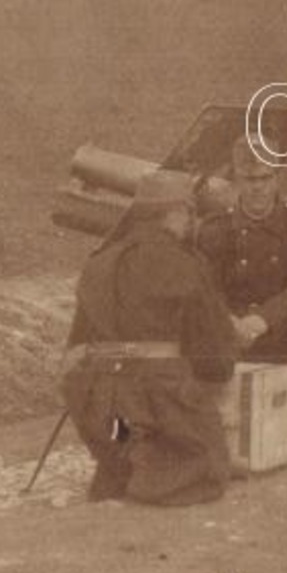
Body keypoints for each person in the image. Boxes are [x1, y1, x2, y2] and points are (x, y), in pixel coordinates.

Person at [60, 170, 237, 504]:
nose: (190, 222)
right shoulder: (185, 263)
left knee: (126, 431)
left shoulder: (98, 262)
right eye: (189, 213)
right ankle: (152, 471)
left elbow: (75, 345)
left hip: (104, 412)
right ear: (174, 213)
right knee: (205, 463)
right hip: (156, 403)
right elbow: (213, 353)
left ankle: (124, 463)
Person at [198, 137, 287, 457]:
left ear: (278, 177)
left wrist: (263, 320)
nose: (258, 187)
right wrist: (228, 322)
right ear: (236, 180)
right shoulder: (214, 229)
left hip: (283, 327)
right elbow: (205, 288)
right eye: (250, 179)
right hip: (233, 330)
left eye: (266, 178)